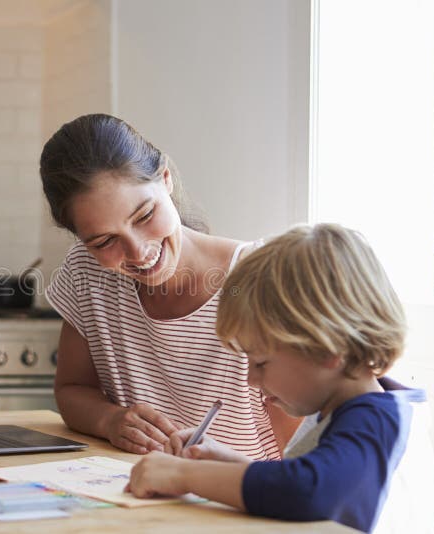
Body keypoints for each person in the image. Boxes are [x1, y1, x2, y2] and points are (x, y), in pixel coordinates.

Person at [127, 223, 434, 533]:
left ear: (328, 348)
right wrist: (221, 460)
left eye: (261, 363)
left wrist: (184, 476)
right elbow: (297, 476)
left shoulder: (374, 421)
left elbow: (306, 490)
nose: (250, 378)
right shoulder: (361, 410)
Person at [40, 113, 299, 459]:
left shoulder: (264, 281)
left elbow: (302, 461)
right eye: (104, 241)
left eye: (145, 216)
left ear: (165, 179)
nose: (137, 251)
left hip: (245, 501)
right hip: (139, 497)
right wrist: (110, 420)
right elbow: (72, 389)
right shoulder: (87, 273)